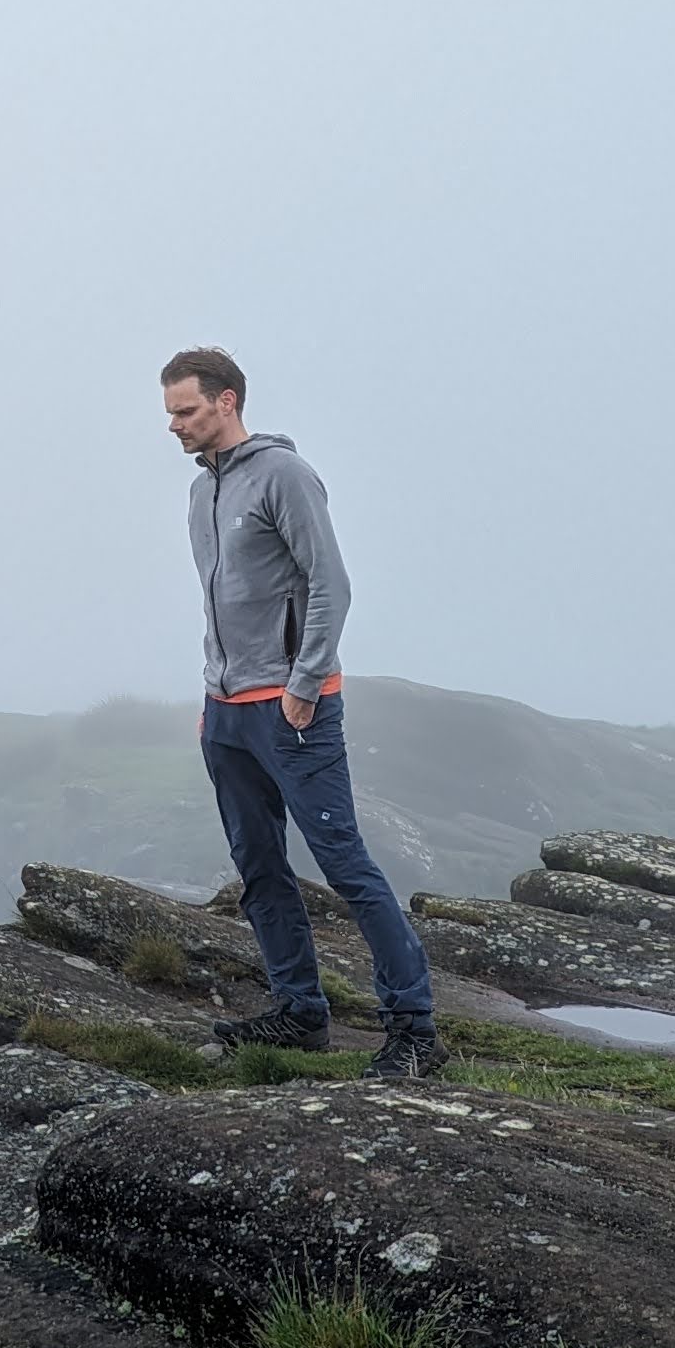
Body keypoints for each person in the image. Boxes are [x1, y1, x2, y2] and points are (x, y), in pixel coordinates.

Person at [160, 347, 445, 1081]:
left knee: (346, 866)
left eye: (186, 411)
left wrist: (305, 681)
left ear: (227, 402)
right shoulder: (202, 493)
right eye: (170, 414)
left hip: (292, 710)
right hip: (226, 713)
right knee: (258, 869)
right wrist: (212, 695)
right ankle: (300, 1011)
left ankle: (414, 1030)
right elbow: (221, 603)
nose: (175, 427)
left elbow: (331, 584)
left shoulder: (283, 475)